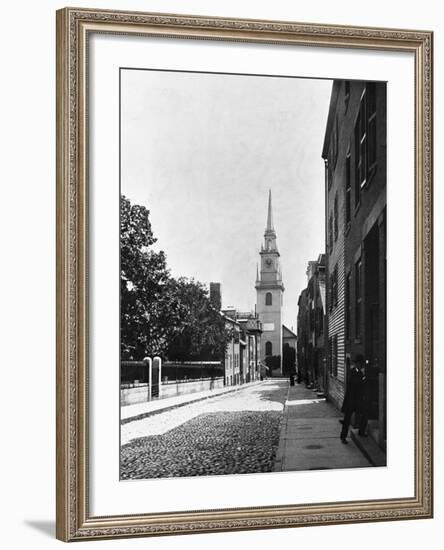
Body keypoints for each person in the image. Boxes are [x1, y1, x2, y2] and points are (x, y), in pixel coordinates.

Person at [340, 354, 368, 443]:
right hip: (351, 400)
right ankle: (343, 437)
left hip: (358, 400)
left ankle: (361, 431)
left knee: (365, 414)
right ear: (356, 364)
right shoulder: (352, 372)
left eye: (361, 364)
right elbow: (354, 382)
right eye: (359, 364)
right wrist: (363, 380)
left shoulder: (360, 373)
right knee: (347, 420)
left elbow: (362, 385)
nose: (360, 365)